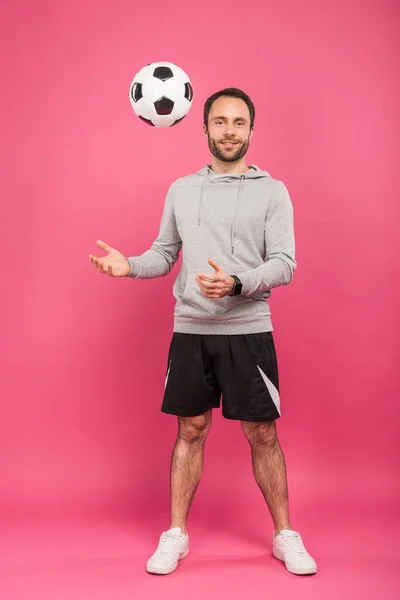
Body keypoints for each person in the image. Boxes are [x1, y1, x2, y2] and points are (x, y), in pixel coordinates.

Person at [89, 88, 317, 577]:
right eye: (220, 121)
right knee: (189, 430)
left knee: (262, 434)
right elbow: (164, 254)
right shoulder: (181, 189)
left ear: (251, 131)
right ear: (205, 128)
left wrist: (238, 283)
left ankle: (284, 535)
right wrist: (126, 265)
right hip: (190, 330)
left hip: (248, 330)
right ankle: (176, 535)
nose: (229, 130)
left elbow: (285, 263)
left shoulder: (272, 191)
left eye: (239, 122)